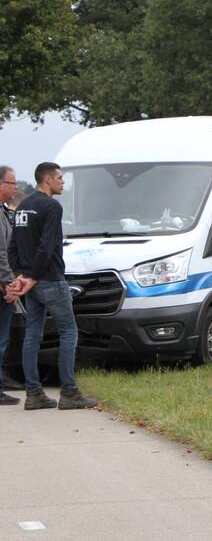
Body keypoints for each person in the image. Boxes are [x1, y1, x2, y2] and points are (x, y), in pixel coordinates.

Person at [6, 162, 96, 410]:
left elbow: (12, 247)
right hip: (49, 279)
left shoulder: (23, 206)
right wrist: (33, 276)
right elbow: (47, 247)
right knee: (69, 332)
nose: (63, 182)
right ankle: (69, 393)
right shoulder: (52, 206)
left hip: (30, 282)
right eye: (59, 178)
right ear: (47, 180)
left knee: (32, 335)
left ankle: (33, 393)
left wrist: (21, 275)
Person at [0, 166, 21, 405]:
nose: (16, 188)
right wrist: (9, 285)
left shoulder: (4, 211)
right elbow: (1, 254)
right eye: (12, 183)